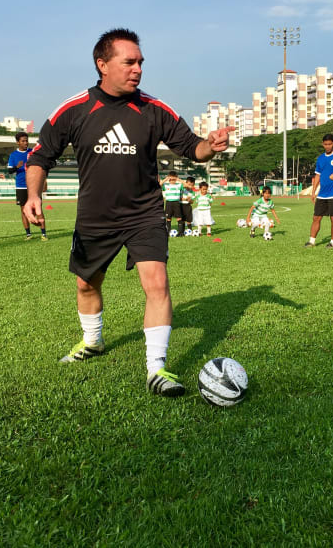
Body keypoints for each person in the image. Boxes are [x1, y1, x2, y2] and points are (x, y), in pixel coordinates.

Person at [23, 28, 228, 397]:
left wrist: (210, 147)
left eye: (140, 63)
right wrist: (33, 195)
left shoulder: (154, 108)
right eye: (128, 62)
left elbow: (191, 147)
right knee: (86, 283)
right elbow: (40, 156)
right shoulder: (74, 109)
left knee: (157, 283)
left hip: (144, 212)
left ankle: (157, 369)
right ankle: (92, 341)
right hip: (95, 216)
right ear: (102, 64)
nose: (137, 70)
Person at [305, 134, 333, 248]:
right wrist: (314, 191)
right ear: (322, 144)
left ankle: (332, 242)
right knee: (316, 217)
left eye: (330, 144)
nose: (328, 146)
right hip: (322, 194)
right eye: (325, 144)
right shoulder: (320, 158)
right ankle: (311, 241)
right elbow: (318, 175)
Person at [8, 132, 48, 241]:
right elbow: (10, 170)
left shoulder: (32, 152)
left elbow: (41, 167)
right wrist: (17, 166)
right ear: (18, 142)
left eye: (26, 140)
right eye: (23, 141)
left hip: (34, 185)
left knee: (38, 209)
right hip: (21, 186)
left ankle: (44, 234)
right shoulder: (13, 155)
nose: (26, 142)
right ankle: (28, 234)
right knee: (24, 210)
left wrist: (44, 181)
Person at [160, 171, 186, 235]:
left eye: (174, 179)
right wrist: (166, 179)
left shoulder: (179, 185)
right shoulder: (166, 185)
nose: (172, 181)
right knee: (168, 218)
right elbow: (159, 185)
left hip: (176, 203)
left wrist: (178, 179)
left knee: (179, 217)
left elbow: (185, 185)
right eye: (171, 179)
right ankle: (168, 231)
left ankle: (180, 232)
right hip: (168, 203)